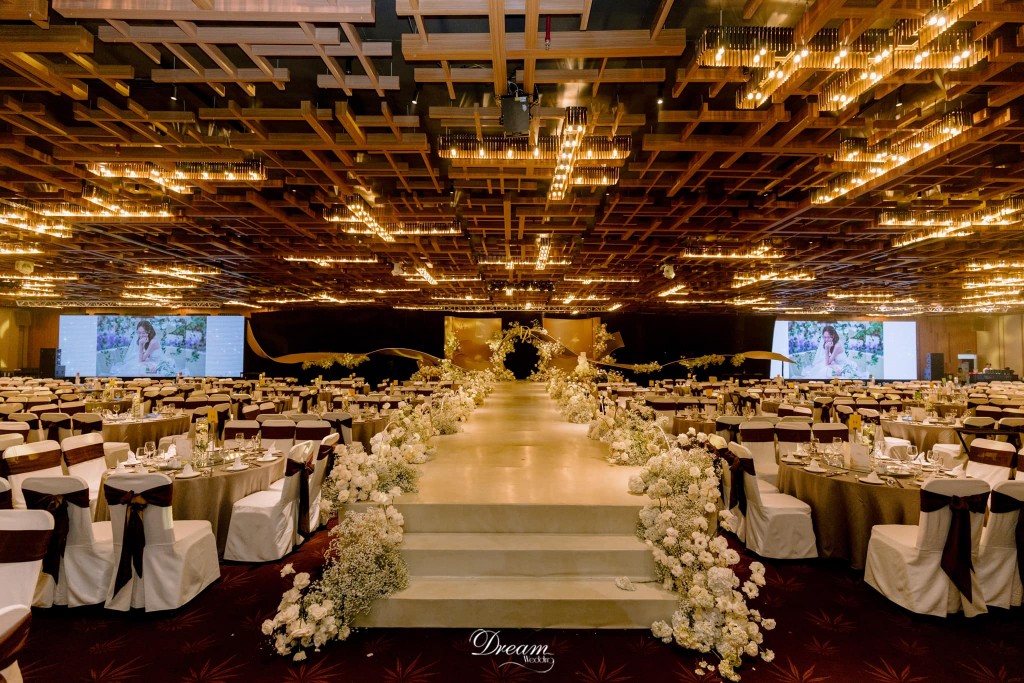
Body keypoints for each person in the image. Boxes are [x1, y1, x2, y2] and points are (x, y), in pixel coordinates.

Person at [112, 319, 177, 376]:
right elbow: (142, 358)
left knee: (141, 369)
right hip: (151, 362)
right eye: (139, 333)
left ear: (149, 331)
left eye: (143, 333)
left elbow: (142, 359)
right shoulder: (144, 339)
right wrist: (141, 345)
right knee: (136, 368)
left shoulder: (153, 342)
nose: (141, 335)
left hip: (158, 364)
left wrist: (140, 344)